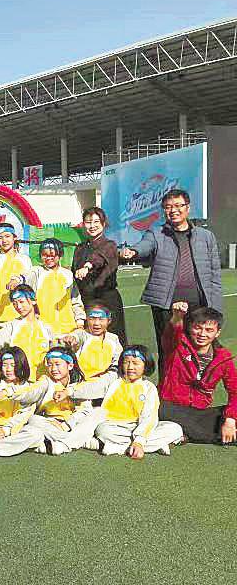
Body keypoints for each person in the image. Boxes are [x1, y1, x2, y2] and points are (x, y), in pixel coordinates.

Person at [121, 189, 222, 369]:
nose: (173, 210)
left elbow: (215, 275)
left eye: (178, 205)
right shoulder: (156, 234)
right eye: (168, 207)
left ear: (187, 208)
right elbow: (144, 246)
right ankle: (166, 387)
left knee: (199, 352)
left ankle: (196, 387)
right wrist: (134, 251)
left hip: (199, 305)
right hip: (166, 306)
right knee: (168, 352)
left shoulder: (206, 237)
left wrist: (216, 310)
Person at [56, 346, 184, 457]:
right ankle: (155, 445)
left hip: (137, 426)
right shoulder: (114, 380)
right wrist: (69, 392)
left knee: (175, 429)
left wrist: (139, 440)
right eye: (126, 362)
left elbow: (149, 416)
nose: (130, 367)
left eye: (135, 363)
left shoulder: (148, 387)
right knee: (103, 430)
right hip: (112, 426)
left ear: (146, 365)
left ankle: (110, 447)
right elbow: (93, 386)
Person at [158, 303, 237, 444]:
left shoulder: (223, 357)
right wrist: (177, 317)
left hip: (199, 413)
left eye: (209, 330)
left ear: (217, 333)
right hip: (169, 407)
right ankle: (194, 433)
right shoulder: (177, 345)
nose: (202, 334)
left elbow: (234, 390)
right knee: (158, 409)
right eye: (198, 328)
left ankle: (184, 433)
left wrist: (230, 420)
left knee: (229, 415)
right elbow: (170, 334)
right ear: (190, 327)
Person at [0, 285, 54, 383]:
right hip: (18, 383)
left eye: (21, 302)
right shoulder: (12, 326)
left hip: (40, 383)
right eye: (15, 304)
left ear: (33, 301)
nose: (18, 307)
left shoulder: (46, 328)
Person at [25, 347, 103, 455]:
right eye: (50, 364)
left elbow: (85, 410)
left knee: (98, 411)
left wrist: (67, 424)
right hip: (52, 425)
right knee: (33, 420)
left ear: (70, 365)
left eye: (57, 364)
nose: (53, 368)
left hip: (72, 425)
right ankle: (82, 441)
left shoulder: (79, 385)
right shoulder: (45, 382)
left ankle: (62, 444)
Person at [72, 207, 127, 344]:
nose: (92, 226)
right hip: (87, 300)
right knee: (89, 341)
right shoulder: (80, 248)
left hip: (107, 300)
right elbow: (73, 271)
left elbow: (99, 258)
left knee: (113, 340)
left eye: (96, 222)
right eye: (88, 222)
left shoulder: (110, 245)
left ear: (103, 224)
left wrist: (87, 266)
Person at [24, 238, 85, 337]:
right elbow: (23, 279)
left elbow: (76, 301)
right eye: (44, 255)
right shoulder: (36, 272)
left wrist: (80, 322)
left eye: (52, 254)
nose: (48, 258)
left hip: (69, 330)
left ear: (60, 255)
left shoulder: (68, 275)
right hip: (44, 331)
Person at [60, 302, 123, 379]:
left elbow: (118, 360)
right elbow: (75, 337)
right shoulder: (82, 334)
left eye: (101, 319)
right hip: (83, 382)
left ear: (109, 321)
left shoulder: (113, 338)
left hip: (107, 380)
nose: (96, 323)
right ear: (86, 319)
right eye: (92, 319)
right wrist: (71, 339)